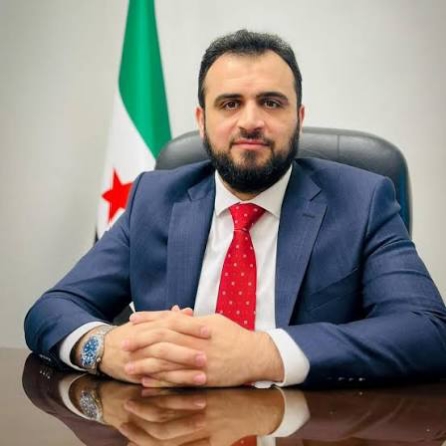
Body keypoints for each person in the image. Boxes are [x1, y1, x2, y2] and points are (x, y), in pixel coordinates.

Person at [24, 29, 446, 388]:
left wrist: (262, 354)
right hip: (171, 425)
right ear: (201, 121)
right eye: (230, 103)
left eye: (271, 102)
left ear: (299, 117)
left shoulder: (362, 200)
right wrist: (104, 348)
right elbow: (51, 308)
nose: (250, 121)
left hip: (304, 428)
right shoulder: (155, 199)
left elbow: (429, 331)